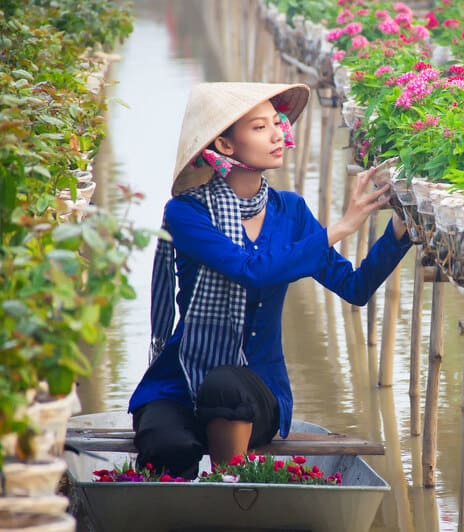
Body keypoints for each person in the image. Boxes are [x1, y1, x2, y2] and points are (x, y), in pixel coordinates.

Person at [128, 82, 412, 478]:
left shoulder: (290, 211)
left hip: (256, 393)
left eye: (277, 122)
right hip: (181, 381)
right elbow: (249, 269)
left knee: (226, 386)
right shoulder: (186, 213)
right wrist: (341, 227)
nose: (279, 133)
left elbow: (355, 287)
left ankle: (230, 487)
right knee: (168, 446)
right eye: (260, 128)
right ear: (225, 146)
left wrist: (400, 230)